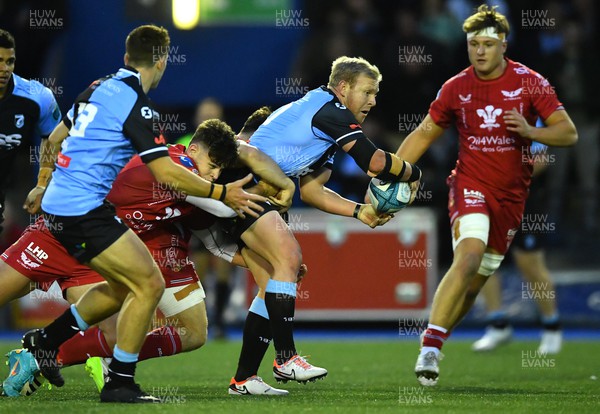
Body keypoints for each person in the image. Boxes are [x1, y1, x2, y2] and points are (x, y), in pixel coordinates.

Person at [11, 24, 265, 403]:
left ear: (127, 58)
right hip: (83, 212)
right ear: (162, 62)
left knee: (122, 287)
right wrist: (222, 191)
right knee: (148, 285)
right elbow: (166, 174)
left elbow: (53, 137)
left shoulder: (97, 88)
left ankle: (45, 342)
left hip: (65, 207)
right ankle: (119, 383)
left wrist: (42, 181)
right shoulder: (138, 107)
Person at [1, 118, 292, 397]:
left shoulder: (195, 186)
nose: (215, 175)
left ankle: (43, 354)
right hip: (56, 237)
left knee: (117, 337)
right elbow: (224, 208)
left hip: (96, 251)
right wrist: (267, 188)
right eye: (213, 165)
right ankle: (55, 353)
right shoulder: (179, 166)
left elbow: (216, 239)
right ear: (193, 150)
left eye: (220, 169)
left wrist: (269, 261)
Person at [393, 5, 577, 386]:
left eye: (487, 44)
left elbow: (568, 133)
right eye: (473, 44)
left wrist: (530, 131)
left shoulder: (530, 82)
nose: (479, 51)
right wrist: (390, 173)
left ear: (503, 45)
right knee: (469, 256)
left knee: (475, 283)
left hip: (511, 199)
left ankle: (440, 337)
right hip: (470, 186)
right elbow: (424, 133)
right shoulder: (455, 87)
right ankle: (430, 348)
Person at [246, 56, 421, 386]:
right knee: (288, 262)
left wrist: (360, 211)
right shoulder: (331, 111)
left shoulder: (325, 120)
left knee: (275, 280)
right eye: (367, 92)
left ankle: (245, 378)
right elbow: (374, 162)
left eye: (375, 93)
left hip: (257, 199)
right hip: (238, 194)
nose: (373, 100)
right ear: (343, 88)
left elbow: (312, 192)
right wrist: (415, 173)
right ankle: (285, 360)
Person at [472, 141, 562, 354]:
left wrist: (507, 178)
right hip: (489, 198)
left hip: (523, 200)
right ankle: (497, 325)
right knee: (483, 260)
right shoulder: (479, 113)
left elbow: (541, 160)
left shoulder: (528, 112)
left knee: (530, 264)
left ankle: (552, 326)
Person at [0, 28, 61, 235]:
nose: (4, 69)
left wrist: (43, 182)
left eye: (10, 61)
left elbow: (54, 138)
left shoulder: (37, 97)